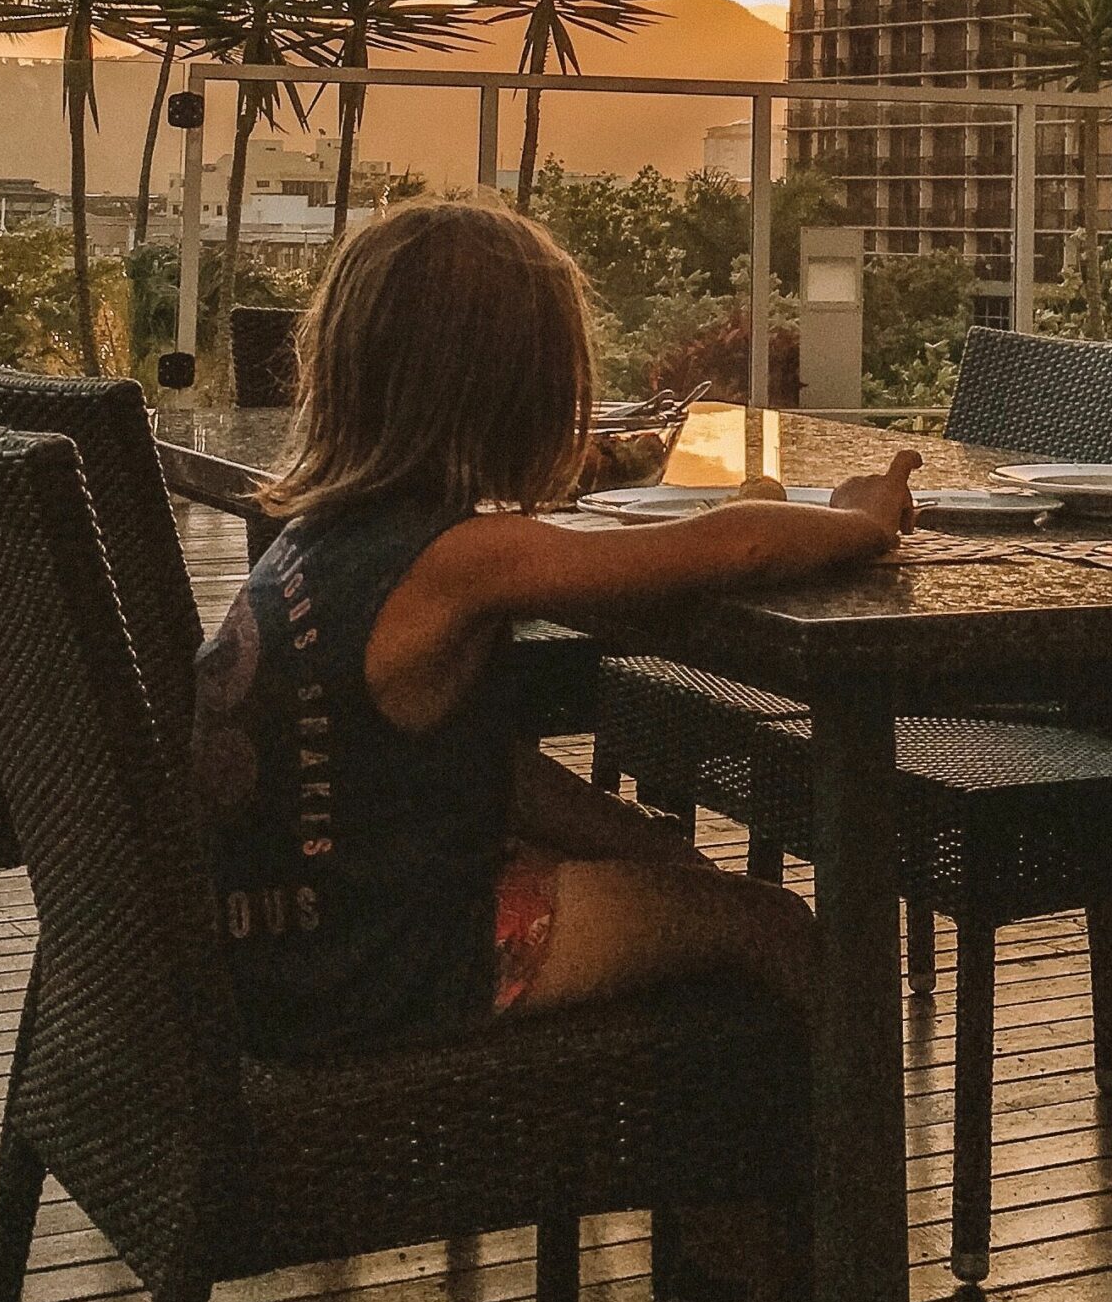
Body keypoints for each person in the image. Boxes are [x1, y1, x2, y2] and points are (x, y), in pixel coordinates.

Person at [193, 197, 914, 1063]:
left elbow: (468, 768)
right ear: (522, 392)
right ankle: (836, 1188)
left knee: (672, 880)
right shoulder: (463, 558)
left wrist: (641, 839)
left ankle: (731, 1172)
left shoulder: (318, 537)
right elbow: (746, 540)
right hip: (390, 966)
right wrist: (863, 522)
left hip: (274, 957)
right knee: (768, 922)